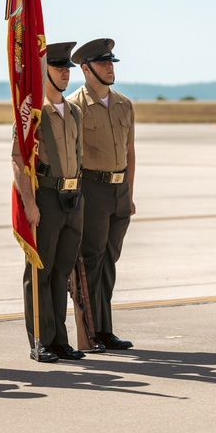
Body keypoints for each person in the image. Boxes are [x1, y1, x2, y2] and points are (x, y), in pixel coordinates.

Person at [13, 41, 89, 363]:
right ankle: (39, 341)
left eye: (67, 68)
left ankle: (59, 339)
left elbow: (79, 155)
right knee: (39, 273)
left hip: (72, 198)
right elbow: (18, 158)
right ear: (45, 71)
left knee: (61, 273)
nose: (65, 74)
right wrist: (29, 203)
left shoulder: (73, 111)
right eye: (59, 68)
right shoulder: (34, 113)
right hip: (46, 196)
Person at [67, 38, 136, 350]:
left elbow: (129, 151)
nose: (110, 67)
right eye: (103, 63)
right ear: (86, 68)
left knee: (109, 262)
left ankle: (105, 330)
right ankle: (89, 332)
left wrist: (129, 193)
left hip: (119, 190)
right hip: (92, 189)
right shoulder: (74, 107)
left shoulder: (124, 104)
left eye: (111, 63)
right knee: (90, 262)